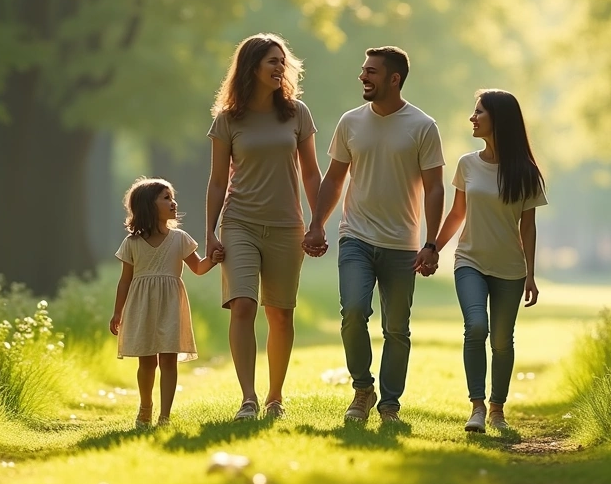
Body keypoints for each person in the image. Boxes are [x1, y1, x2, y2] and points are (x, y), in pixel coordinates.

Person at [303, 46, 445, 423]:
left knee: (396, 329)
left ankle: (390, 404)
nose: (363, 77)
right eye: (363, 71)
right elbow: (334, 178)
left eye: (372, 72)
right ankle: (363, 389)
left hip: (402, 243)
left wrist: (431, 243)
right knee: (352, 312)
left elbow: (435, 188)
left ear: (394, 79)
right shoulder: (350, 122)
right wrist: (317, 223)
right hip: (356, 236)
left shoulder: (422, 126)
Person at [205, 33, 323, 421]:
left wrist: (318, 222)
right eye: (272, 61)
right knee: (242, 305)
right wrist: (210, 232)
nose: (280, 68)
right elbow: (218, 181)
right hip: (239, 222)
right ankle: (248, 398)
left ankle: (275, 397)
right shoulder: (227, 120)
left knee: (280, 313)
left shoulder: (297, 114)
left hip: (287, 226)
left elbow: (310, 173)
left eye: (282, 61)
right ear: (251, 67)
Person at [433, 90, 546, 433]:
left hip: (510, 268)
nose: (473, 117)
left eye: (479, 112)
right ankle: (478, 407)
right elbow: (457, 213)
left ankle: (498, 408)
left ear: (498, 119)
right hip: (470, 261)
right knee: (476, 327)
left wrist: (530, 274)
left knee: (501, 339)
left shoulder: (526, 172)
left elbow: (528, 226)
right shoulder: (467, 164)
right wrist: (432, 247)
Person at [110, 177, 222, 429]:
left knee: (169, 360)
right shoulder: (132, 243)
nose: (173, 203)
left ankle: (165, 416)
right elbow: (125, 281)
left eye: (172, 197)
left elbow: (199, 268)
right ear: (148, 205)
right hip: (141, 305)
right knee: (146, 361)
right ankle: (146, 407)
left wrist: (214, 258)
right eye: (166, 198)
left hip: (171, 304)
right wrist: (118, 312)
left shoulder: (180, 238)